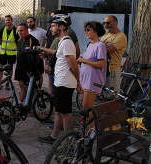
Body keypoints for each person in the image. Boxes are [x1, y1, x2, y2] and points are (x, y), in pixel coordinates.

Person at [39, 14, 80, 144]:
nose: (51, 28)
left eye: (53, 26)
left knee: (66, 113)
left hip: (65, 83)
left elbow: (73, 65)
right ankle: (54, 136)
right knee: (58, 111)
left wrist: (78, 81)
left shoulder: (67, 42)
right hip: (60, 81)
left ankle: (70, 141)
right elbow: (58, 56)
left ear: (61, 27)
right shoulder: (63, 42)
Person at [77, 21, 107, 129]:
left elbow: (101, 64)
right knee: (85, 108)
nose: (86, 32)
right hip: (85, 80)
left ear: (96, 31)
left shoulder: (100, 45)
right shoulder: (90, 45)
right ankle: (86, 130)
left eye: (88, 30)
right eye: (85, 30)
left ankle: (91, 130)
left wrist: (84, 61)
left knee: (87, 107)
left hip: (93, 81)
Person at [14, 23, 41, 104]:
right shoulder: (19, 40)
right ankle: (20, 104)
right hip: (19, 68)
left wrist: (35, 67)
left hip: (28, 69)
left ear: (26, 30)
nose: (19, 32)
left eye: (21, 31)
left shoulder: (32, 40)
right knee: (22, 86)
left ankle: (29, 106)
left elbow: (38, 55)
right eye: (18, 31)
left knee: (28, 88)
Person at [101, 15, 127, 93]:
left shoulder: (121, 36)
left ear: (115, 23)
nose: (105, 25)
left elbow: (107, 49)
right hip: (103, 69)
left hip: (113, 70)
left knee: (111, 97)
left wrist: (99, 47)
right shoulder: (106, 35)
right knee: (104, 95)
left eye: (108, 23)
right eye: (104, 23)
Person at [0, 15, 19, 90]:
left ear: (12, 21)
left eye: (9, 20)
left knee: (10, 68)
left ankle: (8, 83)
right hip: (3, 52)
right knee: (0, 67)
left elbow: (17, 42)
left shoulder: (15, 31)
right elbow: (0, 40)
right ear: (5, 21)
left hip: (11, 53)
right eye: (6, 20)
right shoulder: (2, 30)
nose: (7, 21)